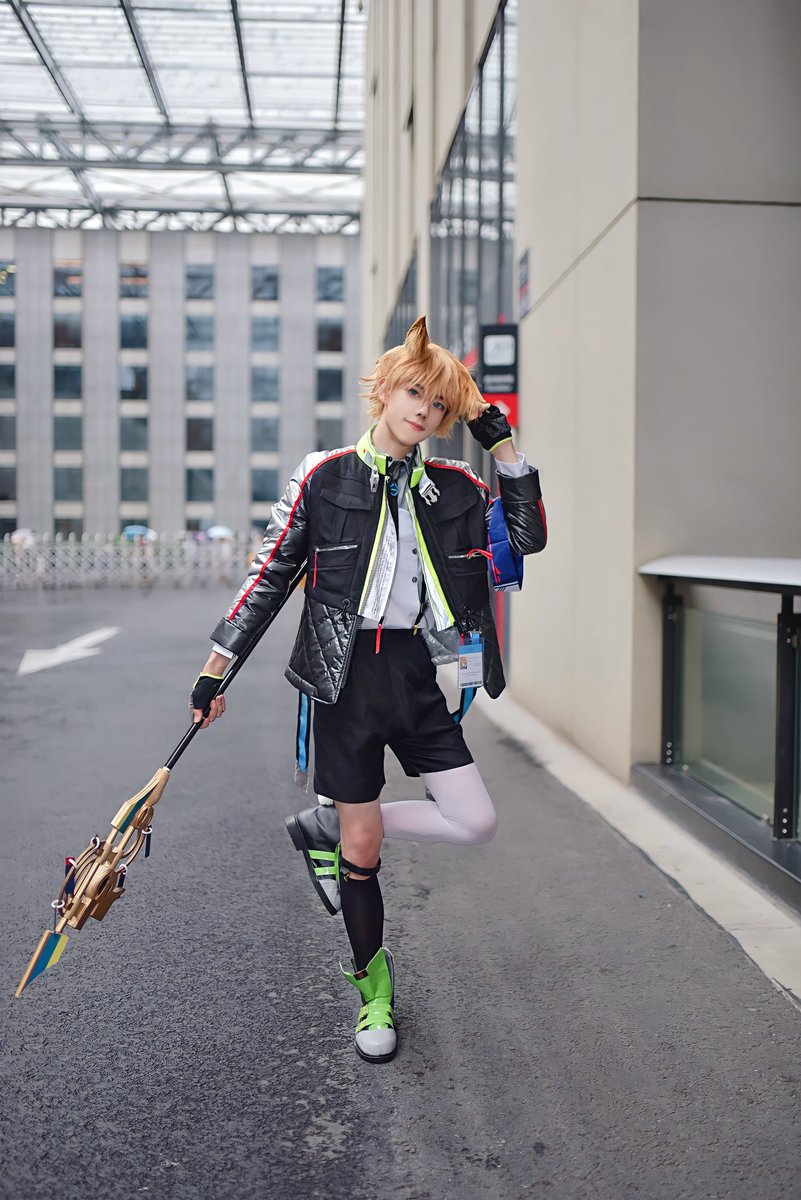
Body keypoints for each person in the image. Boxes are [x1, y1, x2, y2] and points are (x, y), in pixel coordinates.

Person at [190, 316, 547, 1064]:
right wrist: (216, 669)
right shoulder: (324, 476)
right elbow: (270, 576)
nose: (425, 410)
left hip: (415, 673)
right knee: (364, 851)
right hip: (343, 678)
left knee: (475, 822)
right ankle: (373, 992)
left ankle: (331, 825)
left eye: (439, 404)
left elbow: (527, 538)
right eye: (415, 392)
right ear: (383, 388)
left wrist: (504, 447)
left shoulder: (455, 488)